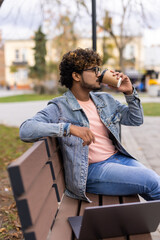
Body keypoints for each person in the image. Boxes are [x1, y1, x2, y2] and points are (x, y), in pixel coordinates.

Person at [19, 48, 160, 202]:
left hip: (117, 159)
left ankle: (143, 225)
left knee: (155, 185)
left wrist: (129, 92)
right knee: (151, 181)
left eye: (98, 69)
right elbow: (26, 130)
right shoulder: (59, 107)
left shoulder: (104, 100)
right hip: (91, 171)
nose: (99, 74)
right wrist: (68, 128)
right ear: (76, 76)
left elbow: (136, 120)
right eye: (93, 70)